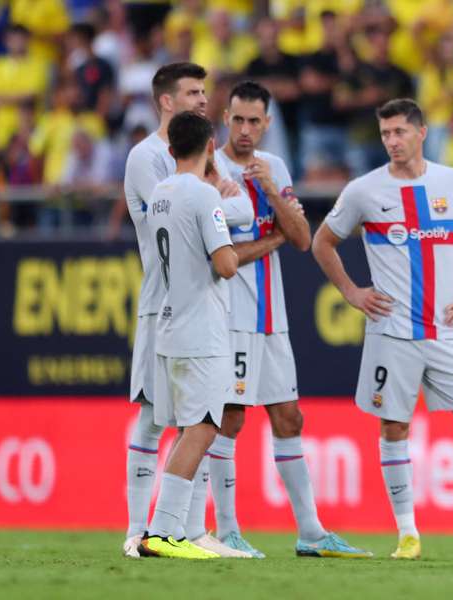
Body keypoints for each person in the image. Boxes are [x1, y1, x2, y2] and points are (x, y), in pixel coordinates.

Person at [312, 98, 453, 561]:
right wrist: (352, 292)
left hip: (446, 332)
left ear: (421, 132)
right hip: (391, 333)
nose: (392, 141)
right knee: (394, 427)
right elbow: (322, 241)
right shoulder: (364, 190)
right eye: (385, 134)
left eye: (399, 132)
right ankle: (407, 534)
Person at [209, 80, 371, 559]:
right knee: (230, 419)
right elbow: (225, 255)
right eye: (237, 119)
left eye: (253, 121)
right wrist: (274, 236)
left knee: (288, 416)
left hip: (270, 316)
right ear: (225, 119)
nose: (244, 129)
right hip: (231, 314)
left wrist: (270, 194)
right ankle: (226, 530)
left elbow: (302, 237)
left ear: (267, 123)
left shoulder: (274, 167)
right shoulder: (210, 169)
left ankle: (312, 532)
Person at [122, 62, 253, 559]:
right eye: (192, 91)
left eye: (204, 91)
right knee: (173, 421)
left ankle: (186, 531)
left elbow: (226, 210)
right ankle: (149, 530)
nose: (202, 98)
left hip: (177, 312)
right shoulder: (145, 160)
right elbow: (227, 232)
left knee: (188, 423)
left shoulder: (165, 184)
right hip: (174, 308)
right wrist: (223, 205)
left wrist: (219, 193)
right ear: (166, 101)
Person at [138, 110, 239, 559]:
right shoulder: (203, 195)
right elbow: (225, 264)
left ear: (170, 148)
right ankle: (162, 533)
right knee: (202, 429)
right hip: (201, 331)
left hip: (168, 324)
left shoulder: (159, 192)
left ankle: (171, 532)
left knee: (186, 430)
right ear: (211, 145)